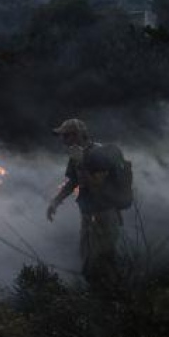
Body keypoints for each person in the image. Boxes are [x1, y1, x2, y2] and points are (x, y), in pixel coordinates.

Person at [46, 118, 121, 290]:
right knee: (90, 260)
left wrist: (81, 163)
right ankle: (105, 299)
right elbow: (73, 182)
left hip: (104, 215)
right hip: (88, 216)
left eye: (65, 136)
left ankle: (114, 302)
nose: (62, 140)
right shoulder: (76, 155)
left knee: (100, 262)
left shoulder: (98, 154)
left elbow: (97, 186)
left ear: (76, 135)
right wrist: (55, 201)